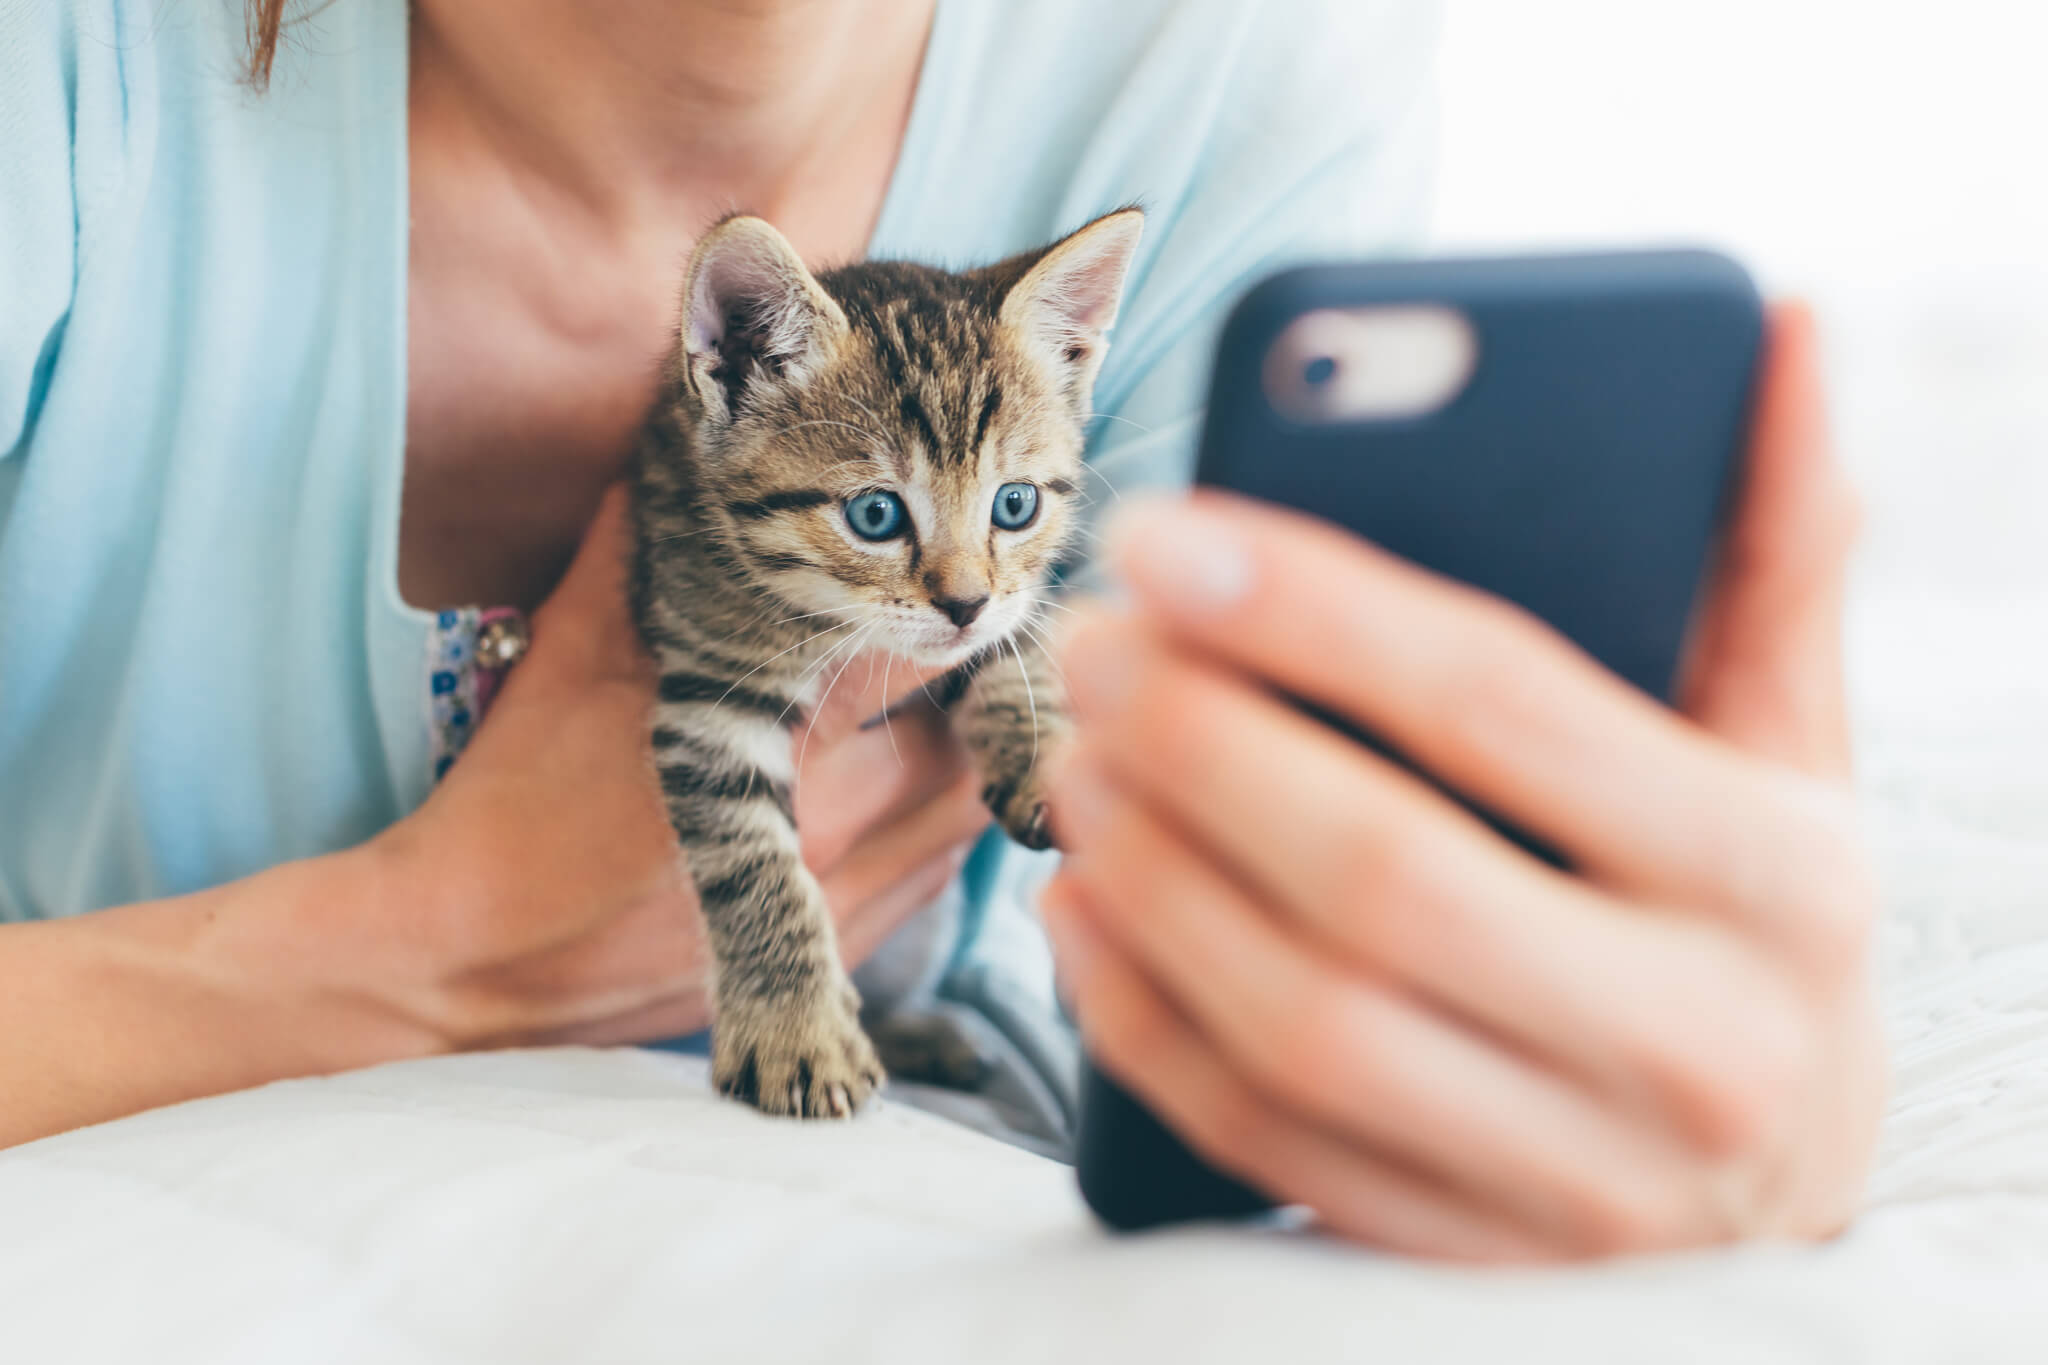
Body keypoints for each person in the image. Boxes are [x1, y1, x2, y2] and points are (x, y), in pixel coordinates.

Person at [0, 0, 1882, 1260]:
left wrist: (1722, 1099)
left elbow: (1243, 981)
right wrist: (437, 956)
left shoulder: (1227, 84)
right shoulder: (76, 77)